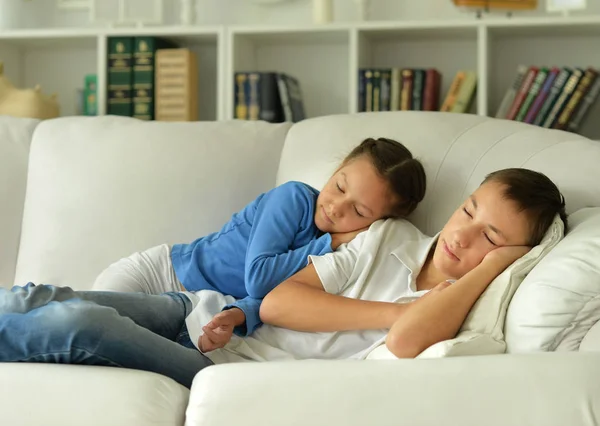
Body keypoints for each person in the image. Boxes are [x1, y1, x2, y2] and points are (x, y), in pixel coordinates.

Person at [0, 168, 567, 389]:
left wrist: (493, 269)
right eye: (468, 211)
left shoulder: (461, 310)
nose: (463, 237)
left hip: (222, 366)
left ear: (516, 257)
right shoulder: (389, 237)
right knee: (38, 296)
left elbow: (407, 341)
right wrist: (396, 309)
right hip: (204, 312)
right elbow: (276, 301)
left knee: (78, 324)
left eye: (492, 239)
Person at [92, 137, 426, 351]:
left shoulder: (345, 255)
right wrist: (329, 242)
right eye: (339, 187)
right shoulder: (294, 199)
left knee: (113, 351)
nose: (337, 207)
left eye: (359, 211)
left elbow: (267, 300)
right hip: (159, 277)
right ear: (337, 169)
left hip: (196, 307)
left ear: (377, 223)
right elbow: (259, 277)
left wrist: (238, 315)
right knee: (88, 324)